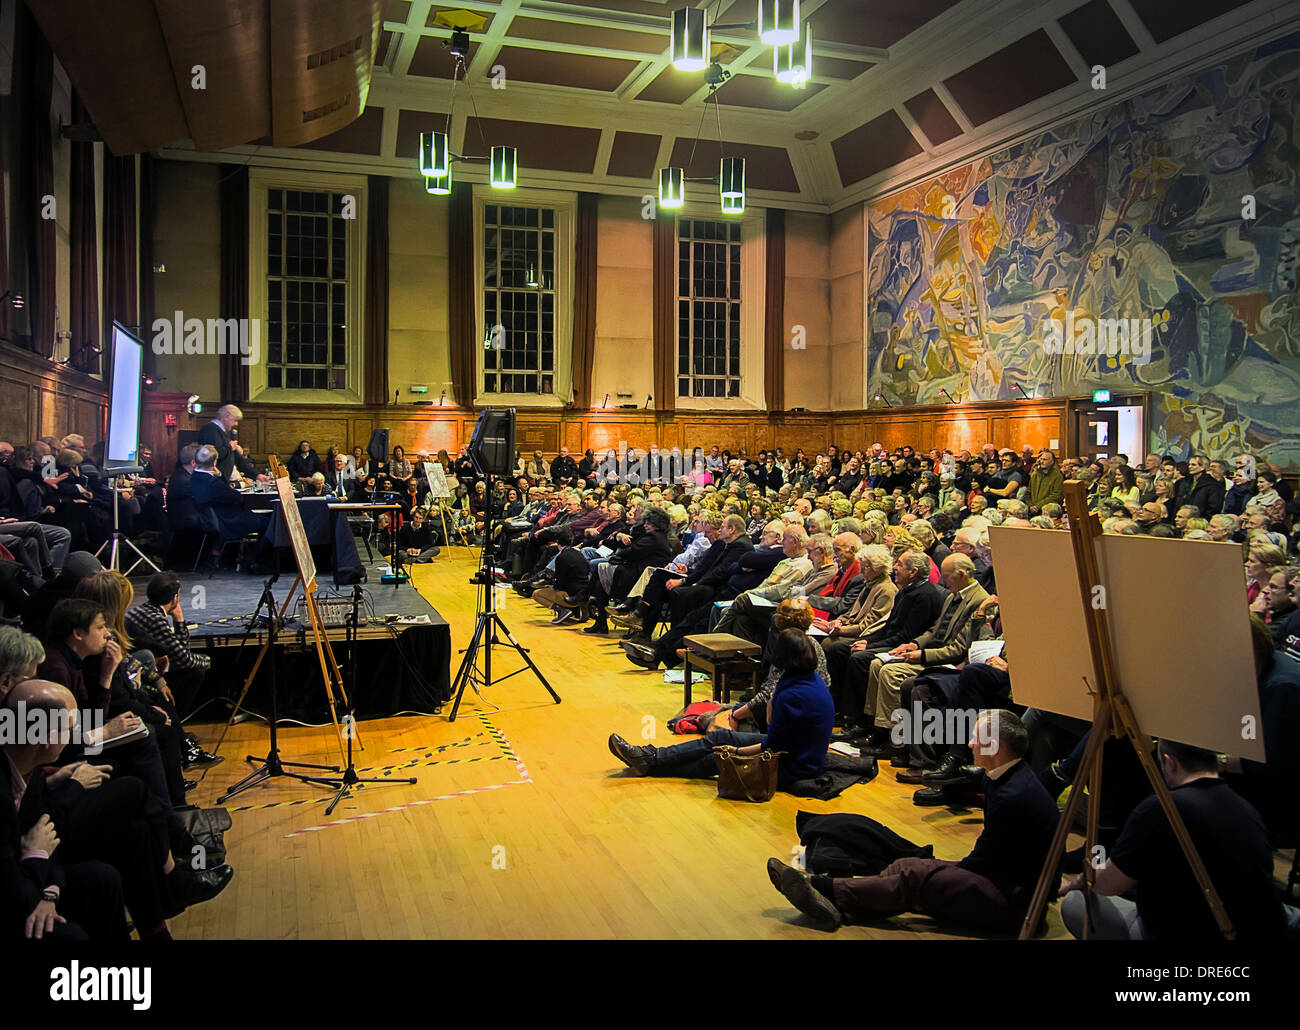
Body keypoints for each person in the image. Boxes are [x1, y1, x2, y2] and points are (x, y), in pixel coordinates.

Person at [766, 710, 1057, 933]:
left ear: (995, 747)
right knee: (906, 866)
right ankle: (839, 903)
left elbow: (984, 861)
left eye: (977, 739)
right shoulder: (1005, 778)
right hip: (1004, 881)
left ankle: (822, 888)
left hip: (1016, 904)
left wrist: (938, 871)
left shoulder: (1013, 795)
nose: (969, 744)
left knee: (916, 877)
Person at [1059, 738, 1289, 940]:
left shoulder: (1161, 808)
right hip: (1256, 928)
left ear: (1169, 762)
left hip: (1194, 931)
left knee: (1076, 903)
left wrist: (1088, 872)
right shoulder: (1247, 809)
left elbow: (1107, 884)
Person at [608, 628, 834, 788]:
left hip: (794, 765)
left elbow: (772, 743)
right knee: (720, 739)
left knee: (716, 757)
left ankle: (650, 760)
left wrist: (735, 752)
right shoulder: (809, 680)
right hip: (799, 751)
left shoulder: (794, 694)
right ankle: (650, 758)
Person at [124, 571, 212, 718]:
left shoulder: (139, 611)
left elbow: (180, 653)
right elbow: (185, 659)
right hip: (144, 675)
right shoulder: (156, 620)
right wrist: (207, 660)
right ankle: (176, 720)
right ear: (175, 597)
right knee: (196, 673)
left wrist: (178, 619)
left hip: (139, 668)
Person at [196, 404, 266, 483]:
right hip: (213, 481)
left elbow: (238, 459)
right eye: (235, 420)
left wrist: (257, 475)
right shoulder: (210, 429)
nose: (236, 424)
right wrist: (229, 447)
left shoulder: (221, 432)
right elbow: (215, 454)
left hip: (221, 481)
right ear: (226, 416)